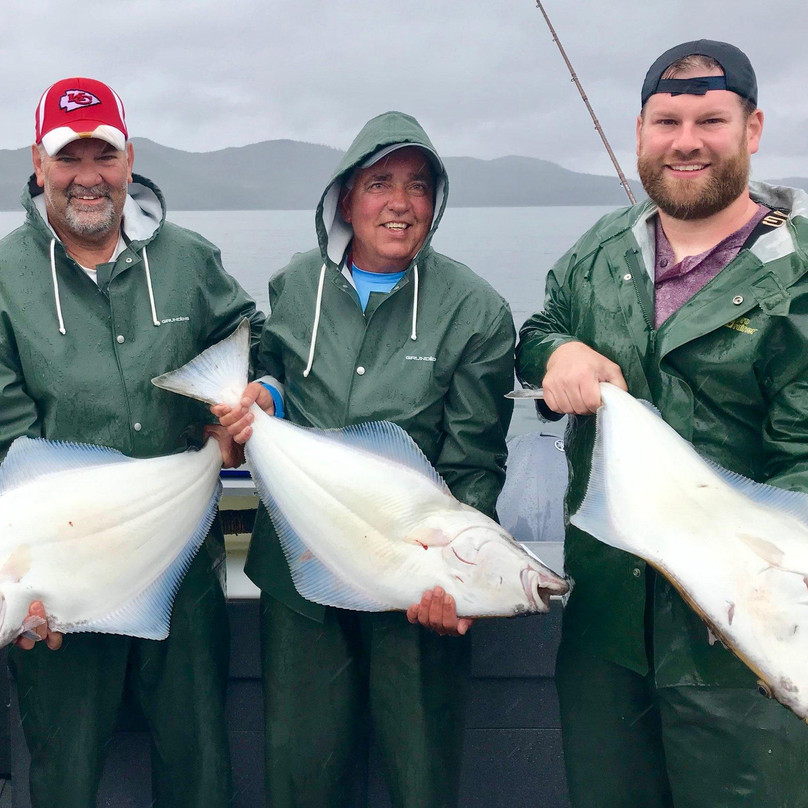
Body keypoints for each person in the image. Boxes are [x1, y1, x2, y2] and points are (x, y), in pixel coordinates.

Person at [0, 76, 263, 807]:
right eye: (68, 157)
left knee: (199, 758)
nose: (88, 177)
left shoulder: (190, 260)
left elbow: (251, 340)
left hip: (181, 562)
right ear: (38, 162)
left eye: (104, 155)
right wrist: (23, 585)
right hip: (65, 583)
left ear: (129, 157)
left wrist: (254, 400)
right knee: (64, 769)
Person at [516, 40, 808, 807]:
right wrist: (560, 353)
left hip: (743, 649)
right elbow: (540, 326)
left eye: (710, 119)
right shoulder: (603, 249)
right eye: (666, 120)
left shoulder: (799, 273)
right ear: (640, 131)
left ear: (753, 129)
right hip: (606, 635)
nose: (686, 140)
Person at [214, 111, 515, 808]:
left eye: (418, 186)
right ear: (346, 198)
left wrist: (459, 579)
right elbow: (274, 370)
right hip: (299, 567)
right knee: (302, 767)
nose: (400, 204)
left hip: (411, 580)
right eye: (380, 183)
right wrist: (264, 392)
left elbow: (474, 464)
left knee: (419, 770)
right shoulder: (294, 284)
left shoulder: (476, 310)